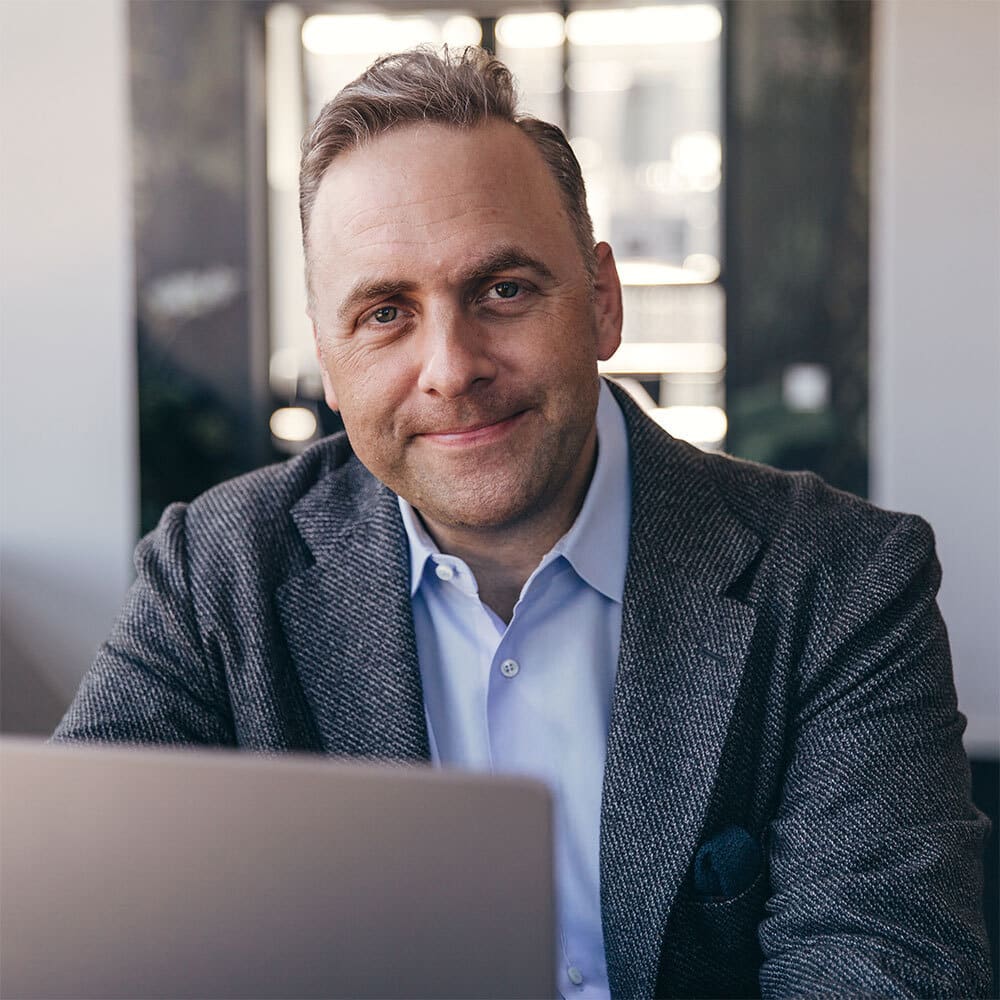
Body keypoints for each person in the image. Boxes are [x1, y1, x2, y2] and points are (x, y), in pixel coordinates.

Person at [54, 46, 990, 998]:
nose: (451, 368)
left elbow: (889, 967)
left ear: (602, 303)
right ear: (330, 364)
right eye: (384, 313)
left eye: (502, 289)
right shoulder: (213, 575)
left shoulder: (843, 578)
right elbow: (75, 926)